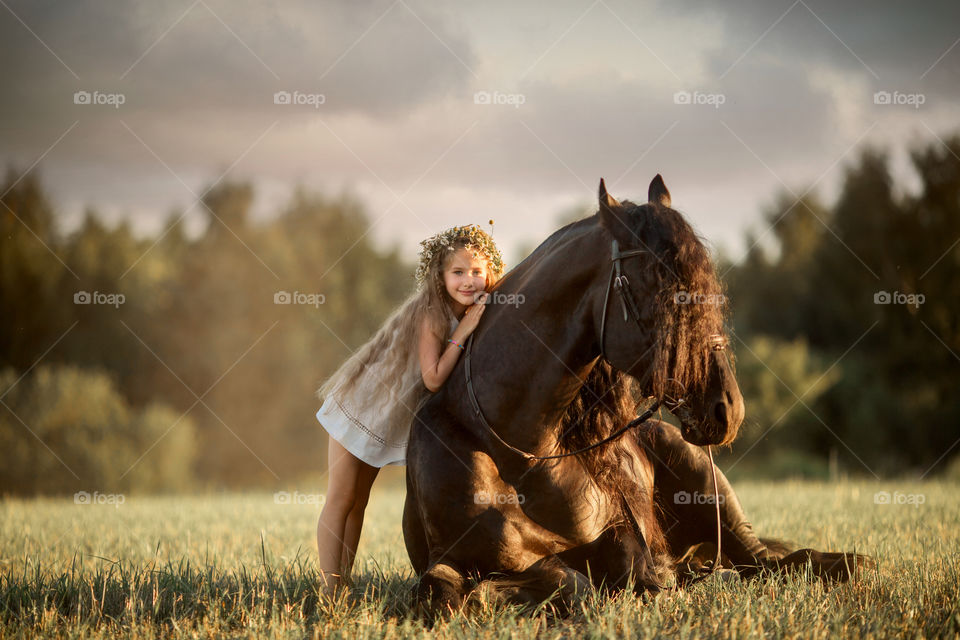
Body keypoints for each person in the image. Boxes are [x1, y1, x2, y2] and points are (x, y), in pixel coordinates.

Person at [314, 224, 504, 595]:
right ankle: (328, 591)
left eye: (476, 271)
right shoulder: (433, 314)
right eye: (458, 272)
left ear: (489, 273)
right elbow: (433, 379)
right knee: (341, 497)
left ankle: (342, 583)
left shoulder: (476, 311)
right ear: (440, 276)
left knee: (359, 502)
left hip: (387, 416)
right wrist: (462, 333)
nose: (468, 280)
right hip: (361, 405)